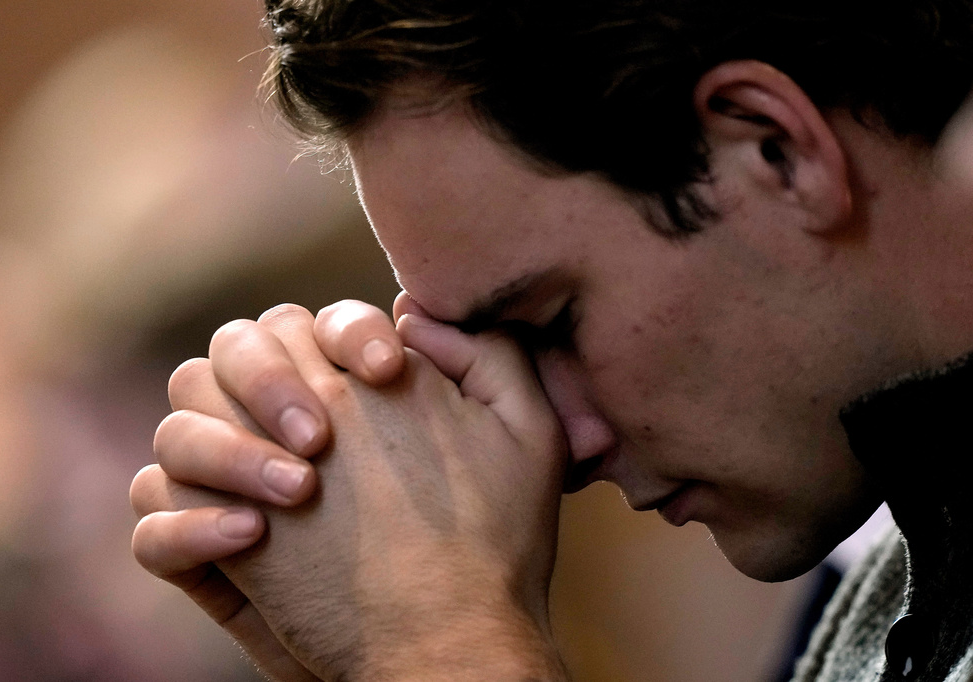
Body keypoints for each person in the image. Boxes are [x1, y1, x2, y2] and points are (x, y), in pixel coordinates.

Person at [130, 1, 973, 680]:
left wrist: (438, 647)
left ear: (774, 151)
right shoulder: (907, 566)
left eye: (548, 323)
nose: (557, 447)